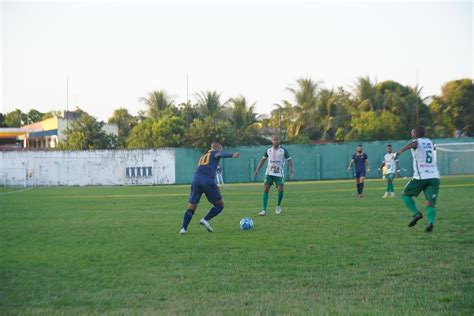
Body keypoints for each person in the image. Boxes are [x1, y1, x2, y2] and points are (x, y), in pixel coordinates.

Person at [179, 142, 240, 235]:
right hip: (207, 182)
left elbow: (204, 170)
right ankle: (205, 219)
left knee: (192, 207)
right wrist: (232, 155)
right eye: (221, 149)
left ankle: (183, 229)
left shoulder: (203, 156)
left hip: (196, 181)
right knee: (220, 205)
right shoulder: (215, 153)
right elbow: (219, 154)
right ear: (218, 148)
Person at [395, 126, 440, 233]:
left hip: (421, 176)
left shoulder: (416, 141)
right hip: (434, 176)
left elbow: (414, 144)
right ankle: (430, 223)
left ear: (415, 134)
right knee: (430, 203)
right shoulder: (429, 141)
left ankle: (416, 214)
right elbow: (432, 149)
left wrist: (400, 151)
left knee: (405, 194)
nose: (411, 135)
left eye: (412, 133)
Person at [254, 135, 294, 216]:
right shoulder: (268, 150)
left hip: (279, 174)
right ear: (272, 141)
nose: (275, 141)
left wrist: (291, 169)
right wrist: (257, 169)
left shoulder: (283, 151)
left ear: (279, 141)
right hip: (269, 173)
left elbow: (289, 160)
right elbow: (263, 160)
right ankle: (264, 210)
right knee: (265, 189)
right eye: (274, 140)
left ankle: (278, 206)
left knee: (280, 189)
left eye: (277, 140)